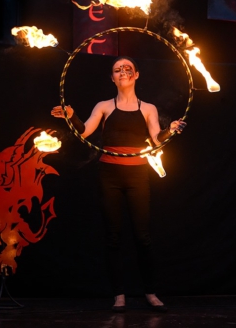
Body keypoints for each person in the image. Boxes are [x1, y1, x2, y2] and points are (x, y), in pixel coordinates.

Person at [51, 56, 186, 313]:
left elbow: (157, 139)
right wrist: (71, 115)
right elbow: (84, 131)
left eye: (128, 69)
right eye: (117, 70)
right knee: (113, 236)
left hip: (137, 175)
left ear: (136, 75)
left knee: (143, 238)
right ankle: (119, 295)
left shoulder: (148, 108)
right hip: (109, 175)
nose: (123, 72)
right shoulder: (104, 106)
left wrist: (171, 130)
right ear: (112, 78)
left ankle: (150, 292)